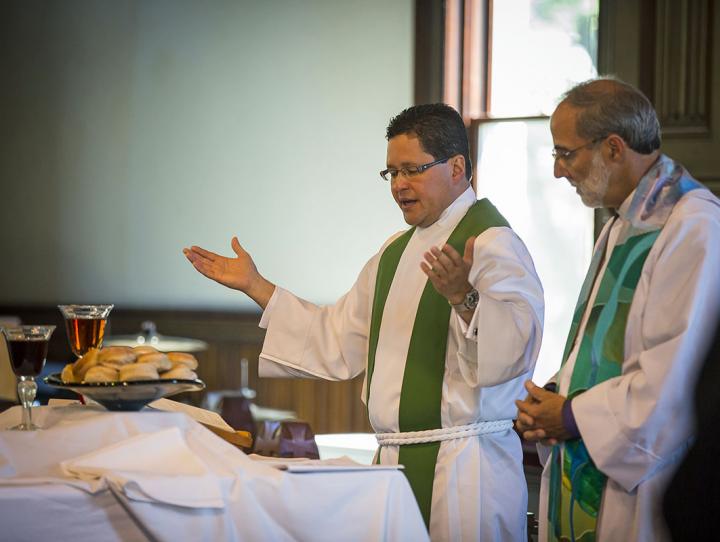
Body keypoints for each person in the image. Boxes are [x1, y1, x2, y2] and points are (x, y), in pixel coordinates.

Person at [184, 103, 544, 541]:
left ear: (457, 167)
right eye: (391, 173)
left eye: (412, 169)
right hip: (394, 466)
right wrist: (255, 286)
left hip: (465, 471)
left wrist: (463, 298)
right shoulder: (394, 252)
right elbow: (337, 340)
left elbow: (516, 351)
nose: (399, 185)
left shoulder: (492, 243)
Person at [515, 77, 720, 542]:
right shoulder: (624, 223)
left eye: (566, 153)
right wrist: (553, 395)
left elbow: (677, 376)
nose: (558, 171)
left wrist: (569, 415)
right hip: (601, 458)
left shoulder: (692, 226)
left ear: (612, 148)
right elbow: (599, 343)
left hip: (645, 483)